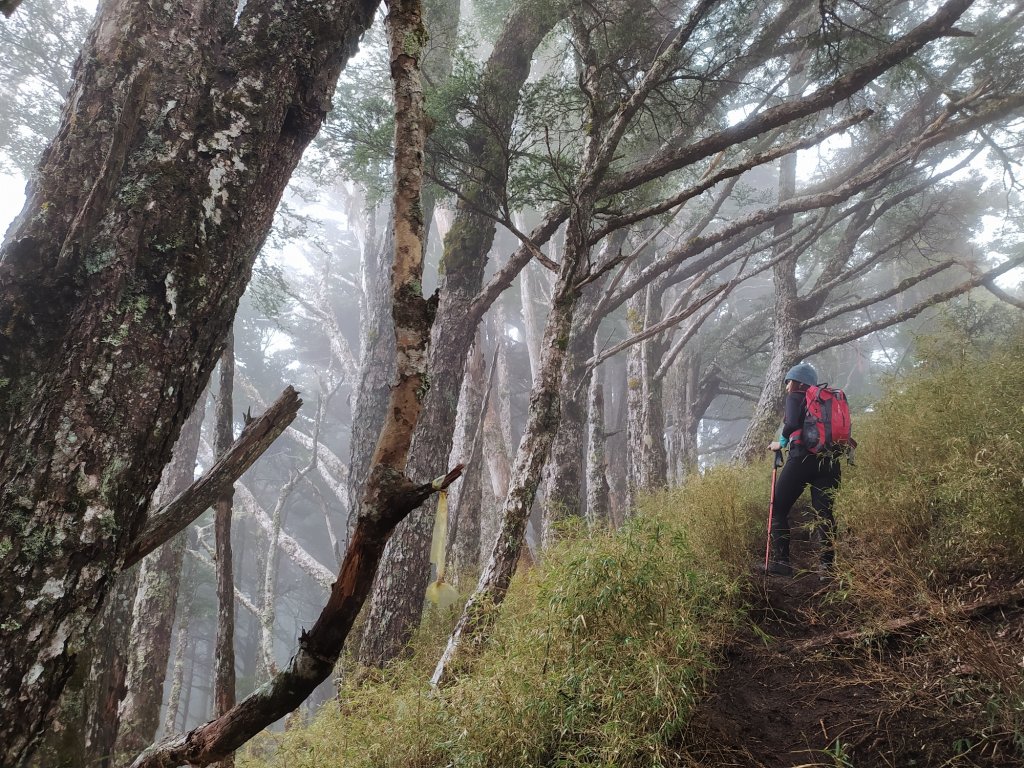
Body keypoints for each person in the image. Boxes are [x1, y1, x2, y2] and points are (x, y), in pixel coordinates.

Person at [765, 362, 841, 578]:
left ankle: (782, 562)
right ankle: (827, 567)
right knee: (824, 513)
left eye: (788, 382)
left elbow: (790, 424)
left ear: (797, 382)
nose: (786, 387)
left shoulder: (796, 396)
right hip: (830, 461)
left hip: (802, 458)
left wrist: (780, 442)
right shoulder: (826, 400)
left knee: (778, 507)